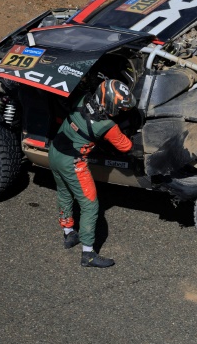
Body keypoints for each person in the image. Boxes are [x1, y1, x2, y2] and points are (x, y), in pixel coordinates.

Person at [48, 78, 135, 267]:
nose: (120, 111)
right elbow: (126, 146)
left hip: (54, 152)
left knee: (64, 193)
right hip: (72, 162)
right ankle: (88, 254)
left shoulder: (83, 98)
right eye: (119, 108)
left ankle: (69, 232)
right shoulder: (107, 126)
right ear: (110, 103)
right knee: (90, 206)